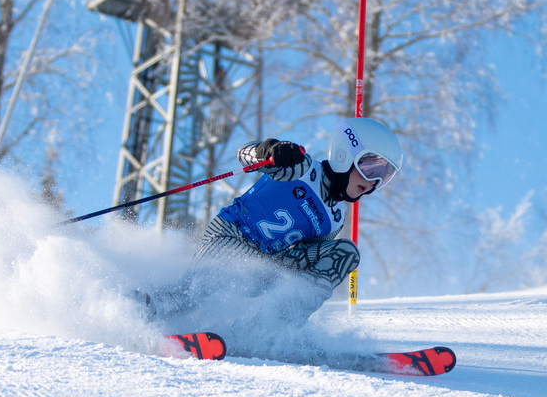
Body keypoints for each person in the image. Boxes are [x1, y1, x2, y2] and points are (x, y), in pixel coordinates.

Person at [146, 116, 404, 324]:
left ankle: (275, 326)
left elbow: (307, 261)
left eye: (384, 176)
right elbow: (245, 155)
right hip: (231, 237)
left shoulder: (336, 219)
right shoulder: (301, 168)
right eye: (371, 168)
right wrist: (269, 150)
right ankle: (141, 309)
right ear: (344, 154)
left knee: (345, 252)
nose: (374, 182)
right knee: (190, 294)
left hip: (265, 264)